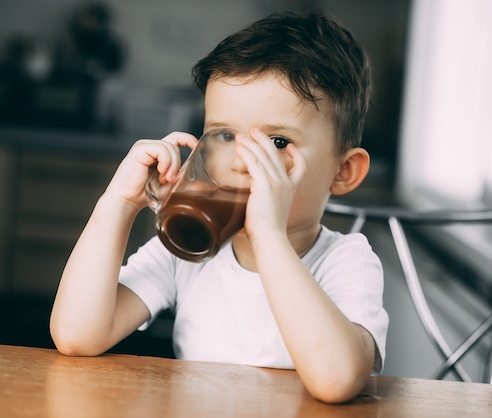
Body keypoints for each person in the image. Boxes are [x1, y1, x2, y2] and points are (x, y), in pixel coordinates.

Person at [50, 10, 388, 404]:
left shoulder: (348, 261)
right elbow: (76, 335)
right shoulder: (190, 250)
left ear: (343, 172)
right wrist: (118, 204)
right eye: (225, 135)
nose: (241, 161)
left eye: (277, 142)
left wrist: (269, 237)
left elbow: (336, 380)